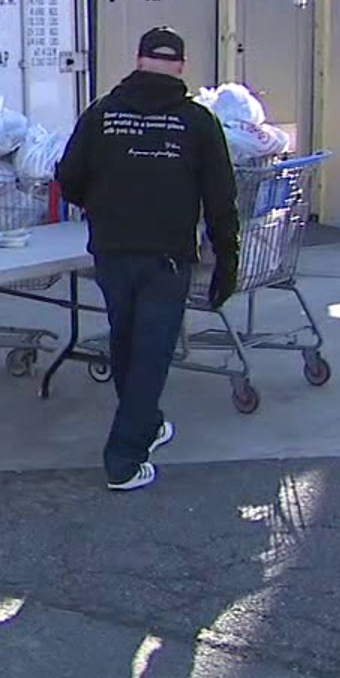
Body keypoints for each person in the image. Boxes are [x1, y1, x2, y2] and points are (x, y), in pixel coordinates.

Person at [55, 27, 240, 491]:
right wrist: (227, 257)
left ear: (138, 61)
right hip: (167, 254)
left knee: (127, 342)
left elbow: (69, 178)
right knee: (152, 351)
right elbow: (221, 197)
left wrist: (102, 199)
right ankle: (124, 457)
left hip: (113, 250)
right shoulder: (197, 122)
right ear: (180, 66)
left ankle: (148, 424)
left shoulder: (101, 115)